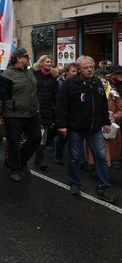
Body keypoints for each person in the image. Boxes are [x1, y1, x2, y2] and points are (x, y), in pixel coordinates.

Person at [56, 55, 118, 203]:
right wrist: (62, 125)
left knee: (101, 157)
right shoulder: (69, 84)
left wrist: (105, 121)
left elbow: (103, 103)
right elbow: (61, 106)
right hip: (76, 128)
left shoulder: (97, 82)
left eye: (91, 66)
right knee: (75, 157)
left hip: (95, 128)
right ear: (78, 69)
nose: (90, 69)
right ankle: (75, 183)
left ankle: (103, 187)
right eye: (86, 67)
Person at [0, 48, 40, 183]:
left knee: (36, 138)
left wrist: (37, 106)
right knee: (13, 142)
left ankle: (21, 160)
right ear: (18, 59)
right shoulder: (7, 74)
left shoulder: (29, 72)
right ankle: (15, 168)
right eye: (26, 56)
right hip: (14, 115)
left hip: (32, 113)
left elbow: (34, 91)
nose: (28, 58)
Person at [32, 55, 58, 171]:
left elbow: (55, 95)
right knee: (36, 134)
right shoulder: (33, 74)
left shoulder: (53, 77)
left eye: (50, 62)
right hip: (35, 108)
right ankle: (34, 155)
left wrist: (56, 109)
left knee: (44, 134)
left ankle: (40, 158)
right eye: (47, 61)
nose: (49, 63)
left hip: (47, 109)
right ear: (41, 63)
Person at [54, 63, 79, 164]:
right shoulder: (60, 83)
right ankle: (58, 155)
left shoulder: (79, 82)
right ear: (67, 72)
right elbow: (58, 102)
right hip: (64, 115)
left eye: (77, 71)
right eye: (73, 71)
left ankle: (78, 160)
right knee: (62, 138)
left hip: (75, 115)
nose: (76, 73)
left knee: (75, 140)